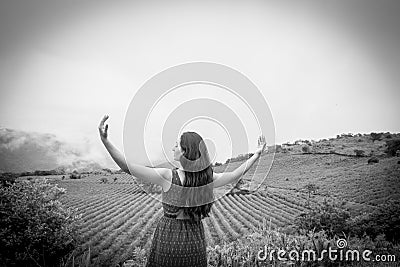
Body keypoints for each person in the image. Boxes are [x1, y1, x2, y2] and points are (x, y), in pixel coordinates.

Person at [98, 115, 267, 267]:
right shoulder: (206, 178)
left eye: (176, 145)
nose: (173, 148)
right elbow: (235, 174)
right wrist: (257, 154)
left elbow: (128, 167)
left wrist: (106, 141)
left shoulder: (168, 176)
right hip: (194, 236)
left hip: (169, 235)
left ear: (185, 151)